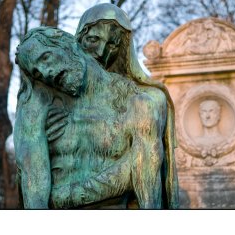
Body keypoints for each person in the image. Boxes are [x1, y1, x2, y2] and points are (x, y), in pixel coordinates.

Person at [15, 27, 168, 208]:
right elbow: (34, 186)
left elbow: (147, 181)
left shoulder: (138, 104)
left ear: (68, 44)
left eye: (45, 58)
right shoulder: (37, 107)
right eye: (37, 73)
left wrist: (68, 195)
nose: (45, 72)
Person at [46, 3, 179, 208]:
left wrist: (72, 195)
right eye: (93, 39)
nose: (100, 52)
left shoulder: (145, 100)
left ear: (123, 50)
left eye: (112, 45)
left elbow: (142, 167)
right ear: (79, 38)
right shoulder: (50, 97)